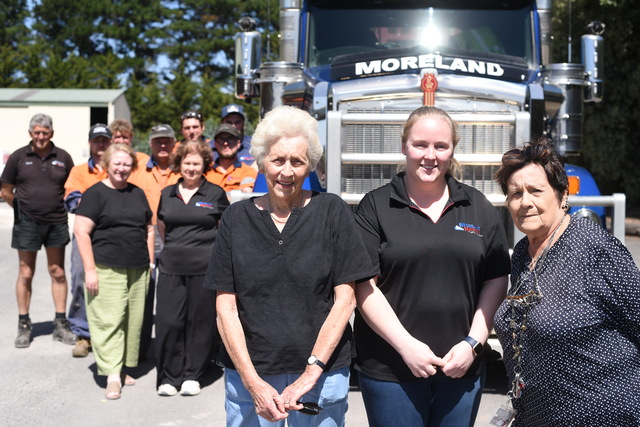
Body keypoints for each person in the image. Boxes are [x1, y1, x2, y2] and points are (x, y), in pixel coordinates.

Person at [203, 105, 375, 426]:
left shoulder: (332, 211)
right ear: (261, 162)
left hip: (321, 375)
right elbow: (225, 308)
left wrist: (310, 374)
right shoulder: (236, 219)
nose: (287, 171)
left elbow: (346, 299)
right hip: (250, 376)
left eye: (297, 161)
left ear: (310, 166)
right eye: (277, 160)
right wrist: (253, 383)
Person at [353, 106, 510, 427]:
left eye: (441, 146)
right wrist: (406, 346)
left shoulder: (478, 207)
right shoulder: (376, 206)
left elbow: (496, 279)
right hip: (390, 371)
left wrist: (473, 344)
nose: (430, 155)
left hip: (461, 370)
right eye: (420, 145)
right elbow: (364, 284)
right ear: (404, 146)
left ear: (452, 150)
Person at [492, 140, 640, 426]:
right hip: (538, 418)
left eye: (536, 191)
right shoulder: (523, 252)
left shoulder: (594, 247)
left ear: (562, 195)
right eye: (516, 193)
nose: (525, 202)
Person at [74, 143, 154, 400]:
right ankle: (112, 375)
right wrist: (90, 270)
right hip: (106, 267)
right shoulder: (95, 194)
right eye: (117, 163)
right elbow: (81, 232)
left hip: (138, 269)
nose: (122, 168)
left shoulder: (137, 193)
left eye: (126, 164)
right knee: (109, 321)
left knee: (132, 321)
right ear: (107, 164)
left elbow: (149, 228)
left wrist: (150, 261)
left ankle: (124, 366)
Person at [155, 140, 230, 397]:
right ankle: (169, 377)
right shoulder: (167, 193)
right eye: (187, 162)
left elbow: (224, 231)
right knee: (168, 321)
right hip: (170, 268)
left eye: (196, 163)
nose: (191, 168)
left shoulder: (215, 194)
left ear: (204, 165)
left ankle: (192, 375)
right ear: (179, 164)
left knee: (200, 323)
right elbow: (162, 227)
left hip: (204, 269)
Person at [1, 113, 77, 349]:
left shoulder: (63, 157)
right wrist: (21, 210)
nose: (41, 137)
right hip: (27, 223)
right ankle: (24, 324)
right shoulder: (18, 157)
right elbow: (6, 190)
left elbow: (72, 187)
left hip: (56, 221)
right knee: (26, 273)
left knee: (58, 272)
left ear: (51, 133)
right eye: (37, 132)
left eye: (45, 132)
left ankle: (60, 323)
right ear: (30, 133)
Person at [128, 124, 180, 360]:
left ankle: (170, 347)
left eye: (167, 140)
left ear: (174, 143)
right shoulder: (138, 170)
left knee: (171, 294)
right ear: (150, 143)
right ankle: (140, 348)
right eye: (158, 141)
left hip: (176, 237)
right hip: (145, 235)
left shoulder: (182, 169)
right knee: (144, 291)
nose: (163, 145)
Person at [64, 123, 112, 357]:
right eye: (97, 140)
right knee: (80, 279)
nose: (101, 144)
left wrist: (92, 202)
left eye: (104, 140)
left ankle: (108, 333)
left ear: (111, 142)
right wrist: (106, 206)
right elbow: (73, 200)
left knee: (112, 282)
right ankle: (83, 334)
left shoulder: (118, 167)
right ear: (90, 143)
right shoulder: (79, 171)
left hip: (113, 234)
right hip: (85, 233)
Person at [204, 123, 257, 194]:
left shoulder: (248, 172)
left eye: (230, 139)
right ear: (215, 144)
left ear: (238, 143)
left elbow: (245, 195)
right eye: (221, 140)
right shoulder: (205, 171)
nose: (226, 143)